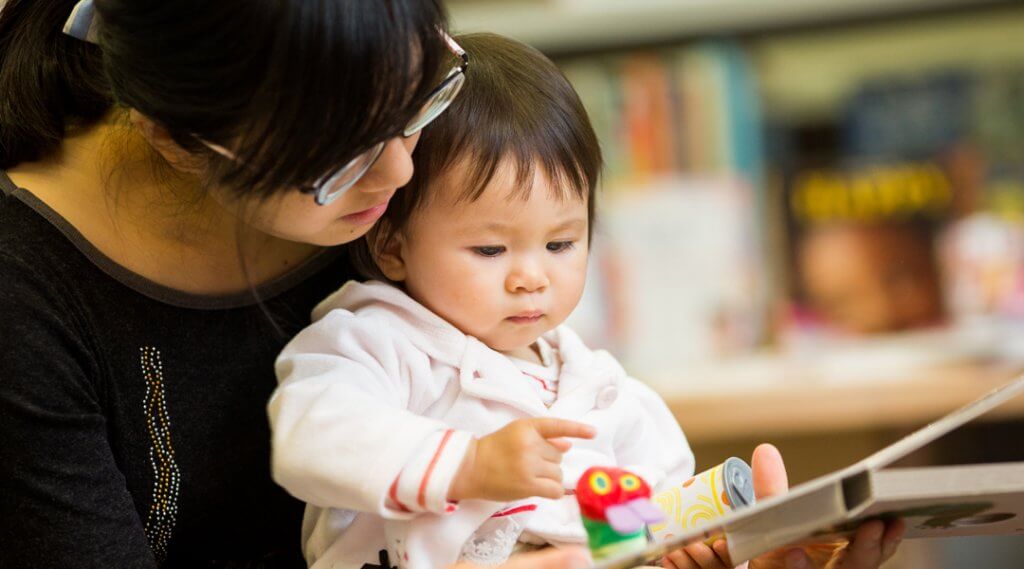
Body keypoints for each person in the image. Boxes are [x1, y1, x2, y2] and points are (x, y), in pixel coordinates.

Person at [0, 0, 901, 568]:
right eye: (342, 153)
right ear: (179, 139)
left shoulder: (441, 220)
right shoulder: (30, 305)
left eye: (421, 96)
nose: (400, 172)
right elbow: (334, 436)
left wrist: (684, 542)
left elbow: (606, 500)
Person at [269, 32, 695, 569]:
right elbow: (312, 436)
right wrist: (466, 465)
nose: (531, 277)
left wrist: (688, 545)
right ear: (392, 245)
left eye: (561, 243)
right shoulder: (375, 342)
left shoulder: (597, 388)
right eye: (491, 249)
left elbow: (660, 510)